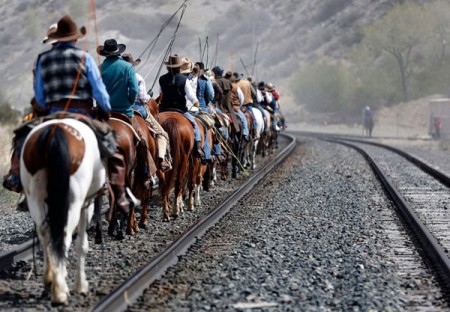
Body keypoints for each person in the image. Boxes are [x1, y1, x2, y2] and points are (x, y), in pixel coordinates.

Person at [3, 15, 112, 194]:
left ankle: (16, 176)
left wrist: (44, 109)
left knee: (22, 137)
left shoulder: (42, 59)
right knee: (108, 140)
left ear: (56, 39)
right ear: (75, 38)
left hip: (51, 113)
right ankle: (106, 181)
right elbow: (99, 92)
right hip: (82, 113)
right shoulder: (84, 57)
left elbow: (39, 97)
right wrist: (105, 109)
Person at [98, 38, 160, 189]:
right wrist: (129, 102)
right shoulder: (127, 67)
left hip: (105, 113)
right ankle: (147, 173)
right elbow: (133, 90)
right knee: (142, 140)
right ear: (117, 52)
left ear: (105, 53)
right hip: (125, 112)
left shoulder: (99, 68)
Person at [121, 53, 172, 171]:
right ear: (133, 65)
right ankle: (162, 159)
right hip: (137, 108)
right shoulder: (138, 77)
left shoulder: (117, 75)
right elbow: (143, 98)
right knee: (162, 133)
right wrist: (149, 97)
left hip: (118, 108)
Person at [158, 54, 205, 160]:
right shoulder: (184, 79)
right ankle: (197, 147)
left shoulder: (162, 79)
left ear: (168, 67)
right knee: (195, 125)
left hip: (164, 109)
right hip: (180, 110)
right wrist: (196, 102)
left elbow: (160, 94)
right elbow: (191, 96)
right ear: (179, 67)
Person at [227, 72, 249, 141]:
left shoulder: (225, 85)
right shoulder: (236, 87)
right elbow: (241, 98)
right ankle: (245, 133)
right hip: (234, 108)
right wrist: (239, 105)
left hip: (225, 108)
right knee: (243, 119)